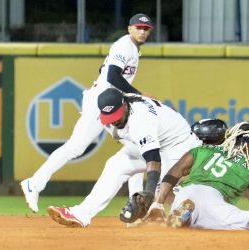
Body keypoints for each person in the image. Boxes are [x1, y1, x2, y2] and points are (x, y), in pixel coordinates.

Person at [20, 14, 154, 213]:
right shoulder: (125, 45)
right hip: (101, 102)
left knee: (135, 145)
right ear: (129, 29)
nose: (142, 31)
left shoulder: (131, 48)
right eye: (138, 27)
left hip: (109, 101)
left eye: (146, 28)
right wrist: (138, 95)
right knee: (76, 147)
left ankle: (137, 205)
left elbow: (105, 69)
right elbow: (112, 75)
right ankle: (34, 184)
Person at [46, 88, 202, 227]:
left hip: (179, 145)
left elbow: (153, 158)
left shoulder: (140, 120)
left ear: (125, 105)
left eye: (117, 115)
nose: (114, 120)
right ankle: (81, 214)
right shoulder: (119, 104)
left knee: (158, 188)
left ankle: (195, 211)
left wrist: (147, 192)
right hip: (161, 141)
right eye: (110, 117)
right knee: (115, 164)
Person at [144, 120, 249, 230]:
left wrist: (158, 203)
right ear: (248, 144)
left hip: (186, 193)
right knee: (243, 219)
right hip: (214, 198)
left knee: (194, 222)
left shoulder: (203, 149)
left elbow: (174, 172)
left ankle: (185, 215)